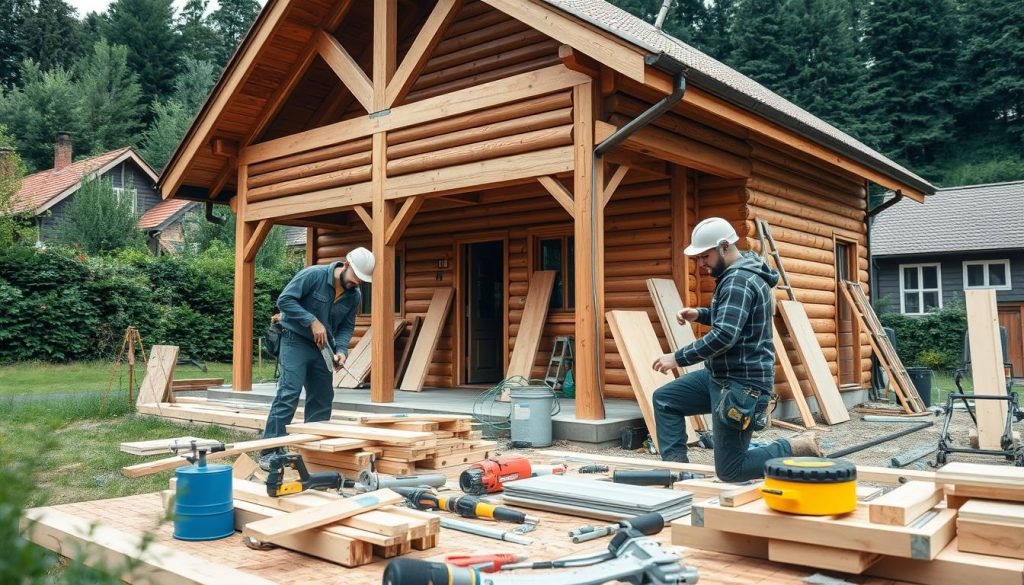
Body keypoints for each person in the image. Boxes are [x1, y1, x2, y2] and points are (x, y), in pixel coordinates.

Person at [650, 217, 820, 482]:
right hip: (720, 376)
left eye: (705, 256)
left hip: (743, 385)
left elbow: (725, 336)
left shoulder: (739, 280)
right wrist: (701, 314)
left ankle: (796, 447)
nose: (701, 264)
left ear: (725, 246)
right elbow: (736, 319)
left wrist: (677, 358)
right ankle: (677, 474)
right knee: (666, 399)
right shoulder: (739, 274)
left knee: (731, 470)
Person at [259, 247, 376, 470]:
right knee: (289, 392)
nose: (358, 283)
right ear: (346, 265)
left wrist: (341, 350)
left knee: (322, 397)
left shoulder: (354, 295)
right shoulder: (313, 275)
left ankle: (311, 449)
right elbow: (284, 301)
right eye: (356, 277)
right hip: (295, 339)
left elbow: (346, 326)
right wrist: (311, 320)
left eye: (363, 280)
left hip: (323, 348)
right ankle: (270, 450)